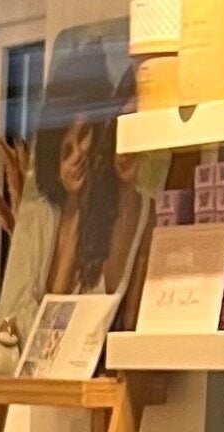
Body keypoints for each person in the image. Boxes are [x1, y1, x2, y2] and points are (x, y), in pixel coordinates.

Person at [36, 46, 144, 296]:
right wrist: (74, 204)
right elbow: (56, 303)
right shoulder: (44, 219)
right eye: (66, 152)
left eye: (84, 135)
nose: (78, 157)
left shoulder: (109, 206)